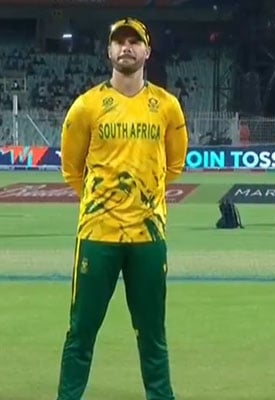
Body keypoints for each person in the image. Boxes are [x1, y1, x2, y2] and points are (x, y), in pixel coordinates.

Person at [56, 17, 188, 400]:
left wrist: (143, 202)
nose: (126, 47)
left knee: (152, 333)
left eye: (134, 42)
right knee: (81, 331)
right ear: (109, 51)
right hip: (97, 235)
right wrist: (105, 204)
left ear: (148, 51)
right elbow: (71, 170)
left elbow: (174, 166)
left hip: (148, 236)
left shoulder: (167, 106)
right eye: (119, 42)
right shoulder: (87, 106)